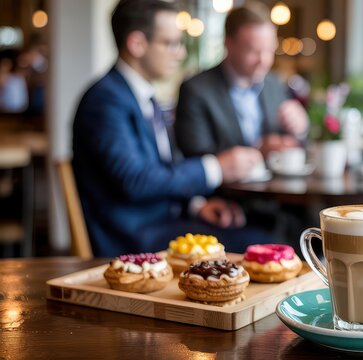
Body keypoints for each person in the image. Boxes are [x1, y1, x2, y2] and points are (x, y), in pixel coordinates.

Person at [72, 0, 269, 257]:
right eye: (171, 43)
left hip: (158, 226)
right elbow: (135, 180)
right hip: (130, 238)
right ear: (137, 44)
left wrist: (196, 206)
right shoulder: (105, 101)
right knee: (263, 243)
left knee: (261, 233)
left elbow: (159, 171)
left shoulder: (139, 97)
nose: (180, 53)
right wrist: (216, 167)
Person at [174, 2, 309, 158]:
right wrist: (257, 152)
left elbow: (292, 143)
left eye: (269, 50)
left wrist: (300, 129)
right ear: (229, 44)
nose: (264, 61)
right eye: (253, 51)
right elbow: (196, 158)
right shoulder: (196, 90)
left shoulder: (274, 84)